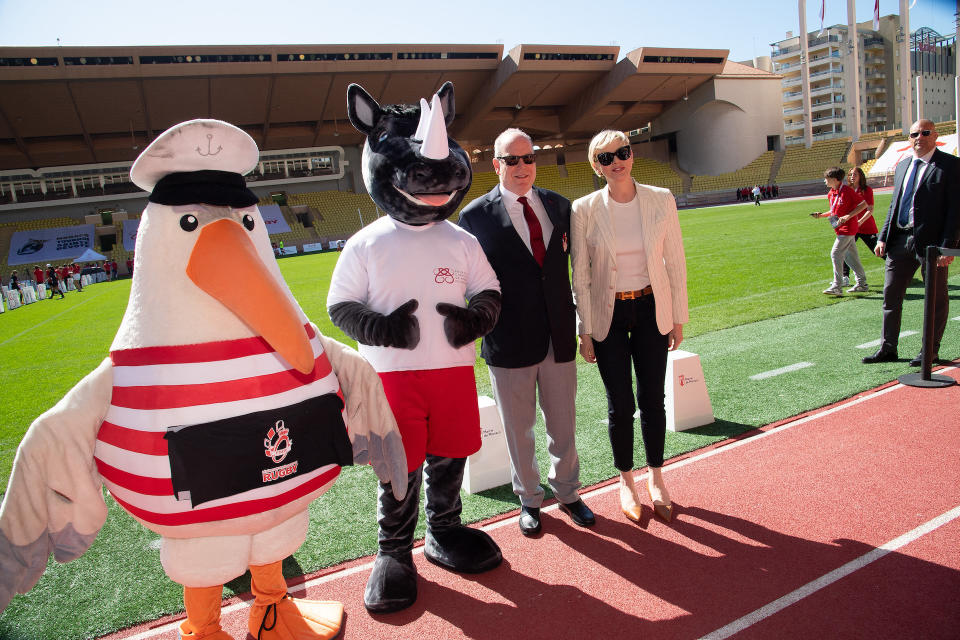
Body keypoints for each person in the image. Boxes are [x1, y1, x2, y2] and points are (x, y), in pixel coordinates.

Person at [458, 128, 594, 536]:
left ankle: (568, 492)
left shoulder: (559, 205)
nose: (522, 166)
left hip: (557, 333)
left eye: (528, 157)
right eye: (511, 160)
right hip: (508, 340)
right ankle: (529, 500)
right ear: (496, 165)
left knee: (563, 423)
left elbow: (575, 270)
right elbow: (468, 284)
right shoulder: (474, 217)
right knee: (519, 430)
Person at [571, 130, 688, 524]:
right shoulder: (583, 208)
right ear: (595, 166)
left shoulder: (661, 198)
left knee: (653, 399)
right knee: (620, 404)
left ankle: (657, 476)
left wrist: (678, 316)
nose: (616, 162)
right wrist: (583, 328)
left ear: (632, 154)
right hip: (609, 315)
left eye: (621, 153)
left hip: (653, 307)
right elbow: (581, 275)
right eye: (605, 158)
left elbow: (675, 260)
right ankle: (626, 481)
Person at [863, 119, 960, 366]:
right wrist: (883, 237)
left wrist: (948, 246)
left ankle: (930, 351)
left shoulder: (950, 166)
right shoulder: (903, 165)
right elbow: (895, 205)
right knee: (890, 294)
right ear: (909, 138)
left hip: (932, 245)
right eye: (914, 133)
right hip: (899, 240)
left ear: (935, 135)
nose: (919, 137)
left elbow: (955, 211)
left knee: (936, 298)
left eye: (925, 132)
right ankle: (888, 348)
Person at [810, 167, 868, 296]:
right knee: (851, 257)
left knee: (835, 254)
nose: (825, 181)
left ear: (835, 179)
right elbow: (834, 211)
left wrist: (848, 216)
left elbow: (863, 204)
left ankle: (837, 286)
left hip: (848, 229)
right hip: (839, 228)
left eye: (827, 179)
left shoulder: (847, 191)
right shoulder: (831, 193)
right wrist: (821, 215)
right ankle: (862, 283)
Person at [842, 166, 879, 285]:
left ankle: (898, 269)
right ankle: (845, 277)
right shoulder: (848, 190)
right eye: (851, 174)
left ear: (861, 176)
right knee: (844, 250)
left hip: (866, 226)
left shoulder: (866, 190)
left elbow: (870, 209)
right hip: (852, 227)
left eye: (855, 174)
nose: (852, 177)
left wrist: (861, 221)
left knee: (878, 250)